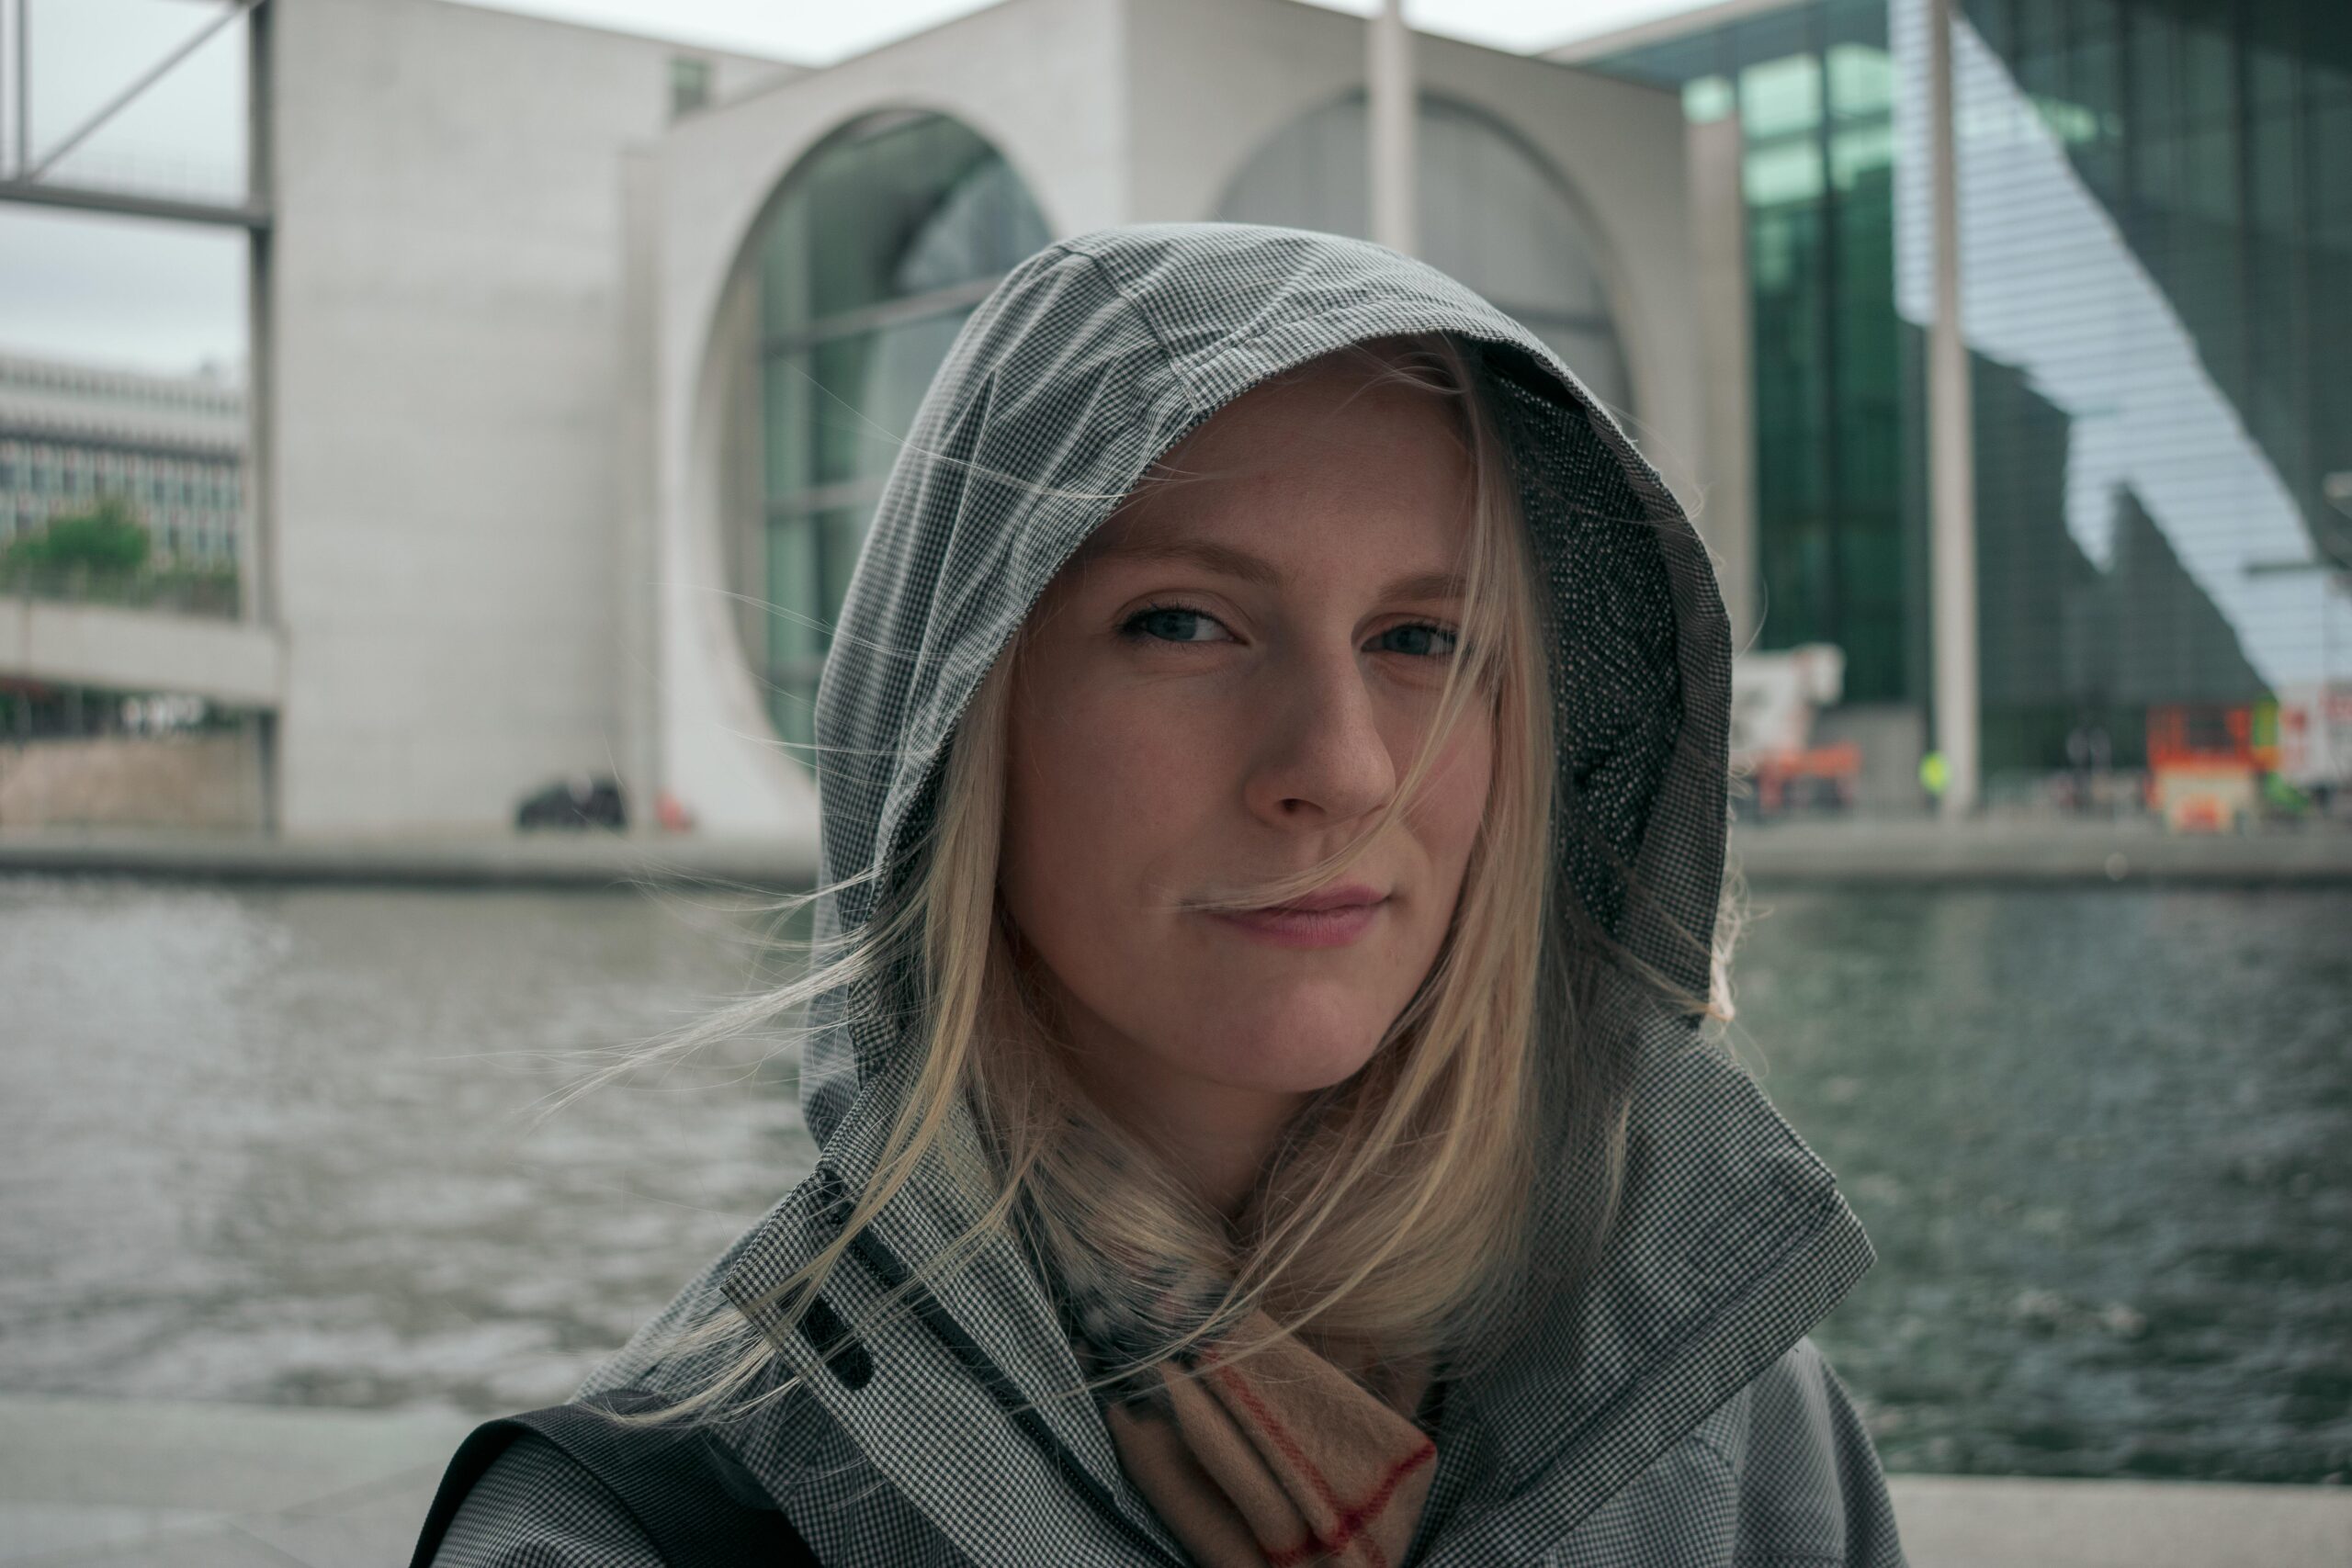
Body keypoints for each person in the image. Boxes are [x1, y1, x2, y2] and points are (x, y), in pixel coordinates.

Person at [420, 223, 1907, 1566]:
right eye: (1183, 624)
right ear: (961, 723)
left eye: (1421, 638)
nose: (1336, 764)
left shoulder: (1736, 1424)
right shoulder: (631, 1536)